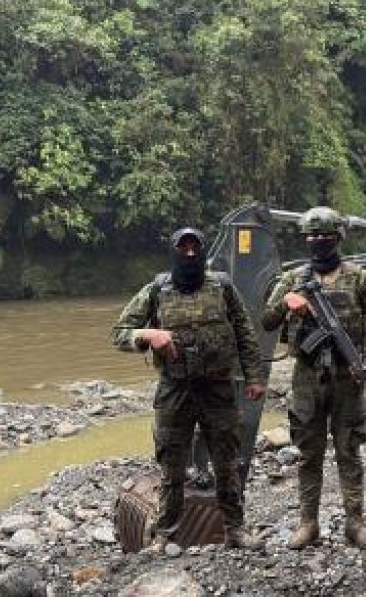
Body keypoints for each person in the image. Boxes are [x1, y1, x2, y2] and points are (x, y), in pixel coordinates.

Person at [110, 227, 266, 550]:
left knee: (227, 463)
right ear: (174, 252)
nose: (190, 254)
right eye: (184, 248)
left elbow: (245, 334)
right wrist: (147, 335)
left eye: (196, 248)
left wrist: (254, 378)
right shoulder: (157, 290)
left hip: (218, 389)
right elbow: (119, 333)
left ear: (203, 251)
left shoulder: (222, 286)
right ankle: (164, 535)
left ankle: (235, 531)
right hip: (175, 390)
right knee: (172, 466)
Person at [261, 206, 366, 550]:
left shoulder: (359, 278)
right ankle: (308, 523)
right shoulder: (292, 279)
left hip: (347, 376)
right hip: (307, 377)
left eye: (326, 236)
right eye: (313, 236)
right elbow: (267, 320)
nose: (319, 241)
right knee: (308, 453)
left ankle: (355, 522)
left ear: (338, 237)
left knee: (349, 451)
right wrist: (287, 303)